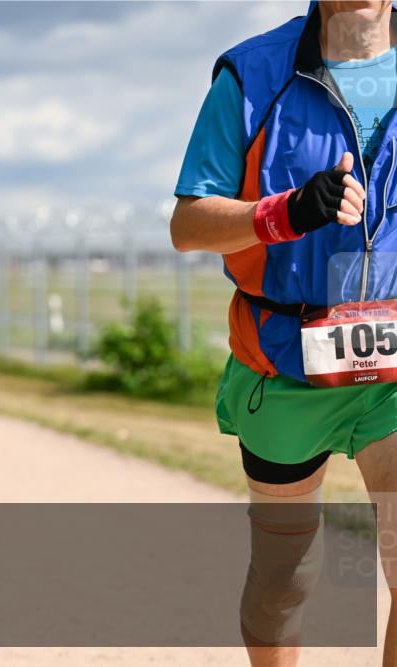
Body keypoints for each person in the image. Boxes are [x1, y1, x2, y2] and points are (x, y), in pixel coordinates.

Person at [171, 2, 396, 665]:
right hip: (284, 361)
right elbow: (188, 224)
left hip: (393, 373)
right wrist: (285, 212)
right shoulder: (252, 74)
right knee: (283, 583)